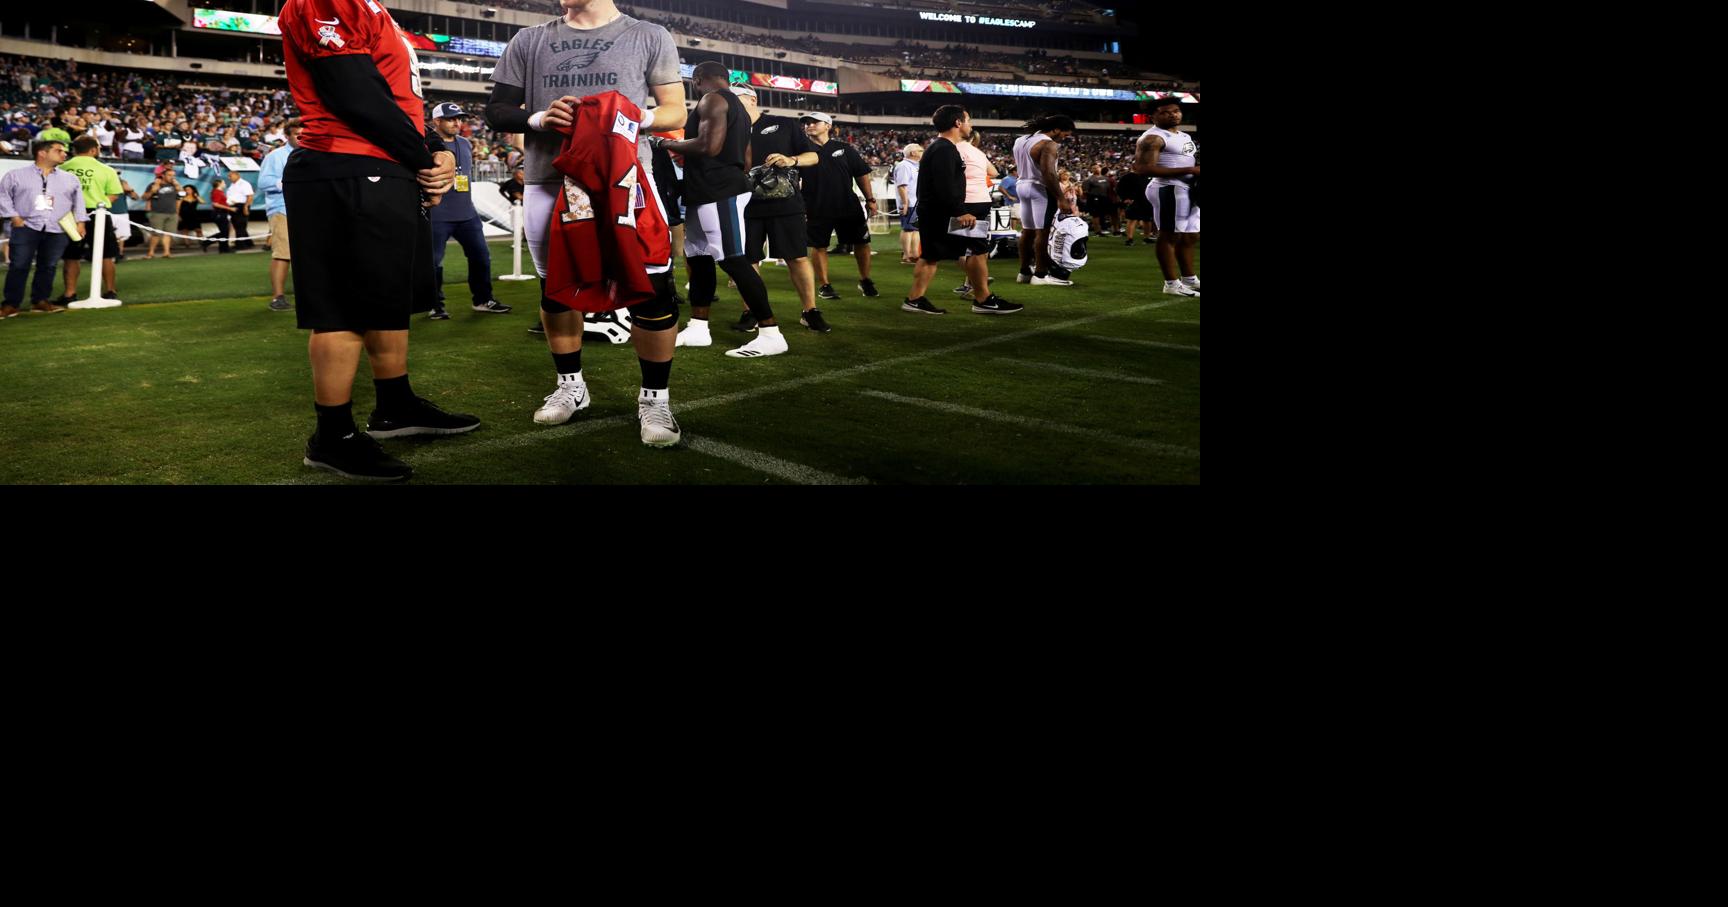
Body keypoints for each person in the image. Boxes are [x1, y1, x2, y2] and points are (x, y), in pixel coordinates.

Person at [279, 0, 471, 481]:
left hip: (381, 165)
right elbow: (355, 93)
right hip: (348, 164)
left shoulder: (372, 8)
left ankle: (395, 404)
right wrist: (424, 157)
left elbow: (392, 97)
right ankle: (332, 436)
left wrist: (435, 148)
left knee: (389, 297)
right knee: (345, 309)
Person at [484, 0, 688, 446]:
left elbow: (676, 112)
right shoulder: (529, 39)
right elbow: (496, 110)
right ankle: (571, 386)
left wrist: (634, 116)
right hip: (548, 179)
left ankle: (655, 398)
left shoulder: (648, 35)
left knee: (652, 291)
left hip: (626, 179)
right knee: (556, 291)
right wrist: (538, 117)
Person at [666, 66, 786, 358]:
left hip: (718, 191)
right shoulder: (740, 111)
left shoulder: (713, 99)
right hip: (707, 189)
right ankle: (698, 326)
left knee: (733, 259)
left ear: (696, 80)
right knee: (699, 257)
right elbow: (745, 159)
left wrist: (666, 143)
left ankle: (771, 332)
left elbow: (709, 145)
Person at [720, 85, 825, 335]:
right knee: (749, 261)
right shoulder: (725, 131)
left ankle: (810, 311)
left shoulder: (783, 123)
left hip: (785, 203)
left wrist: (792, 160)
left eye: (735, 100)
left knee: (797, 257)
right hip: (743, 205)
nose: (730, 106)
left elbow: (814, 156)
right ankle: (752, 311)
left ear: (753, 99)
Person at [900, 105, 1019, 317]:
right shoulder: (945, 149)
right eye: (968, 121)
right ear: (958, 123)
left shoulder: (939, 147)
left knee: (934, 255)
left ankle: (916, 299)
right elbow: (944, 185)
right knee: (975, 250)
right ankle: (982, 300)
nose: (970, 125)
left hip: (935, 213)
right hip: (942, 213)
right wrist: (960, 211)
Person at [425, 102, 510, 319]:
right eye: (451, 119)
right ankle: (435, 305)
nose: (457, 123)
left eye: (460, 119)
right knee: (433, 263)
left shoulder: (465, 143)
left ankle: (483, 300)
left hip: (467, 213)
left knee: (481, 257)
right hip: (437, 214)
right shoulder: (426, 145)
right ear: (436, 121)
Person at [798, 111, 879, 300]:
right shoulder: (801, 152)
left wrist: (870, 199)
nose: (809, 125)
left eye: (814, 122)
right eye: (807, 123)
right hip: (815, 206)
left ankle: (865, 279)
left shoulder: (845, 148)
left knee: (862, 243)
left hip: (848, 205)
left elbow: (861, 174)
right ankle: (824, 285)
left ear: (828, 126)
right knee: (819, 247)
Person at [0, 139, 86, 317]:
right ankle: (10, 304)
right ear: (42, 153)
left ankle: (40, 301)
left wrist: (81, 222)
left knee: (48, 266)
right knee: (19, 265)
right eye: (59, 150)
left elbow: (79, 202)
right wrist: (14, 217)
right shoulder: (15, 175)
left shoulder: (70, 178)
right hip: (26, 226)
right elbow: (3, 196)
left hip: (57, 228)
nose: (64, 154)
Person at [1131, 97, 1200, 296]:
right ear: (1153, 116)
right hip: (1168, 188)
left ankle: (1189, 279)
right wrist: (1191, 170)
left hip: (1188, 189)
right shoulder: (1152, 137)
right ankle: (1171, 283)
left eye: (1176, 110)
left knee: (1190, 236)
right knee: (1169, 235)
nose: (1173, 114)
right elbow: (1142, 168)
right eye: (1165, 112)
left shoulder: (1184, 136)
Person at [57, 134, 123, 302]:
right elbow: (115, 194)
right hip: (98, 213)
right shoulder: (106, 169)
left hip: (70, 214)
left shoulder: (62, 168)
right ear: (93, 150)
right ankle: (110, 290)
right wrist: (101, 203)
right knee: (105, 254)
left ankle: (69, 293)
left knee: (71, 255)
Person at [1011, 113, 1074, 286]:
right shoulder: (1049, 144)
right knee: (1043, 231)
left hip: (1022, 185)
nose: (1065, 138)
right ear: (1055, 129)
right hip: (1039, 188)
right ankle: (1040, 274)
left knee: (1027, 231)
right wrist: (1061, 198)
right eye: (1065, 134)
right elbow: (1048, 172)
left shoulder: (1020, 140)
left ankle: (1024, 272)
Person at [255, 116, 303, 310]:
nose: (302, 138)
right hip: (282, 208)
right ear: (287, 136)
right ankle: (278, 297)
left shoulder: (312, 154)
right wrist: (289, 183)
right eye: (298, 135)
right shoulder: (276, 156)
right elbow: (263, 182)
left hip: (308, 210)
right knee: (283, 254)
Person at [891, 143, 922, 264]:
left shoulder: (915, 166)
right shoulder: (904, 166)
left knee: (915, 229)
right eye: (920, 150)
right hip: (909, 203)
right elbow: (902, 186)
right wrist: (905, 203)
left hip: (915, 202)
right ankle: (906, 255)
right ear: (913, 153)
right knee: (908, 229)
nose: (922, 152)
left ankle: (914, 254)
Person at [224, 169, 256, 250]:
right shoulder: (232, 185)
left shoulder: (244, 184)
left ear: (237, 175)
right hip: (233, 206)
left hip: (242, 206)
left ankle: (240, 245)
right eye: (228, 176)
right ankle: (249, 243)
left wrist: (246, 207)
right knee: (237, 225)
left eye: (230, 176)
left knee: (240, 225)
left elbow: (250, 196)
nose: (229, 177)